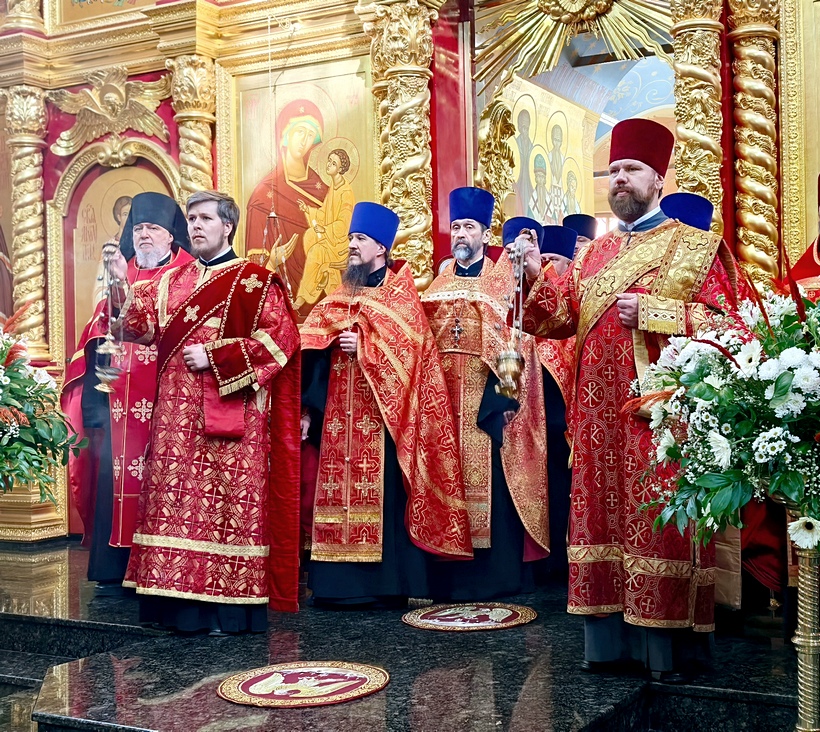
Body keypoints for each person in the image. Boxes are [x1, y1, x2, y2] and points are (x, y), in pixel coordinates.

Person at [512, 118, 748, 682]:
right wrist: (533, 276)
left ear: (658, 178)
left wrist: (658, 313)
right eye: (613, 170)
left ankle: (665, 651)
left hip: (660, 417)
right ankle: (608, 647)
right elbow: (557, 320)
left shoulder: (695, 246)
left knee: (658, 523)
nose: (619, 178)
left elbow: (734, 327)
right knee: (601, 520)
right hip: (596, 420)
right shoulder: (594, 255)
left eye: (632, 169)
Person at [105, 189, 302, 635]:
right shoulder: (168, 282)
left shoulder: (256, 282)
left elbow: (282, 341)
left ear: (227, 226)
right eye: (191, 218)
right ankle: (175, 611)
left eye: (205, 218)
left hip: (232, 421)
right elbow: (136, 328)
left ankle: (224, 614)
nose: (195, 226)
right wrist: (119, 283)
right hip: (174, 422)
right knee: (173, 505)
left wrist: (216, 356)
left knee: (224, 511)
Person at [299, 202, 469, 607]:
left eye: (360, 239)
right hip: (337, 420)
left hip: (385, 422)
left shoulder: (401, 298)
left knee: (387, 497)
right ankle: (336, 586)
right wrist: (307, 409)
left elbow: (413, 357)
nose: (351, 246)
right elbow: (310, 355)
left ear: (381, 247)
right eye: (350, 239)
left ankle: (385, 585)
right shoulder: (338, 297)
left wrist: (366, 347)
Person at [420, 187, 550, 601]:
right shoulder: (437, 284)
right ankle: (447, 576)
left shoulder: (503, 281)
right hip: (443, 402)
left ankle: (494, 578)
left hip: (486, 400)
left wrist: (505, 395)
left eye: (469, 227)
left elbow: (519, 339)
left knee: (492, 485)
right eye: (456, 227)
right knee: (447, 478)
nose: (460, 234)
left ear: (485, 234)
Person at [62, 193, 194, 590]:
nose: (144, 235)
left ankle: (161, 570)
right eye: (138, 228)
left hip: (170, 402)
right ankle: (113, 568)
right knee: (114, 478)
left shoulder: (188, 275)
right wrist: (96, 401)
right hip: (118, 406)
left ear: (170, 234)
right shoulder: (123, 272)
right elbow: (98, 333)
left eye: (153, 228)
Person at [522, 220, 575, 582]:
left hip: (560, 414)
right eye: (544, 258)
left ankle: (562, 559)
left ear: (569, 264)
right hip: (527, 409)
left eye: (554, 259)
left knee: (559, 486)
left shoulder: (570, 299)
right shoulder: (527, 294)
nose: (547, 266)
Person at [244, 102, 328, 291]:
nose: (304, 140)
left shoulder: (324, 191)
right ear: (285, 135)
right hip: (279, 295)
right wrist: (272, 262)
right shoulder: (263, 195)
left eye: (310, 135)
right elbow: (254, 271)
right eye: (299, 131)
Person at [294, 149, 356, 315]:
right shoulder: (334, 187)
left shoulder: (345, 192)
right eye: (329, 160)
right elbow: (324, 213)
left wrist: (325, 229)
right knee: (309, 236)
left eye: (333, 163)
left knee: (316, 252)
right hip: (331, 237)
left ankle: (304, 295)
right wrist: (308, 210)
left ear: (341, 168)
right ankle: (324, 273)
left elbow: (344, 223)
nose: (329, 165)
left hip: (340, 242)